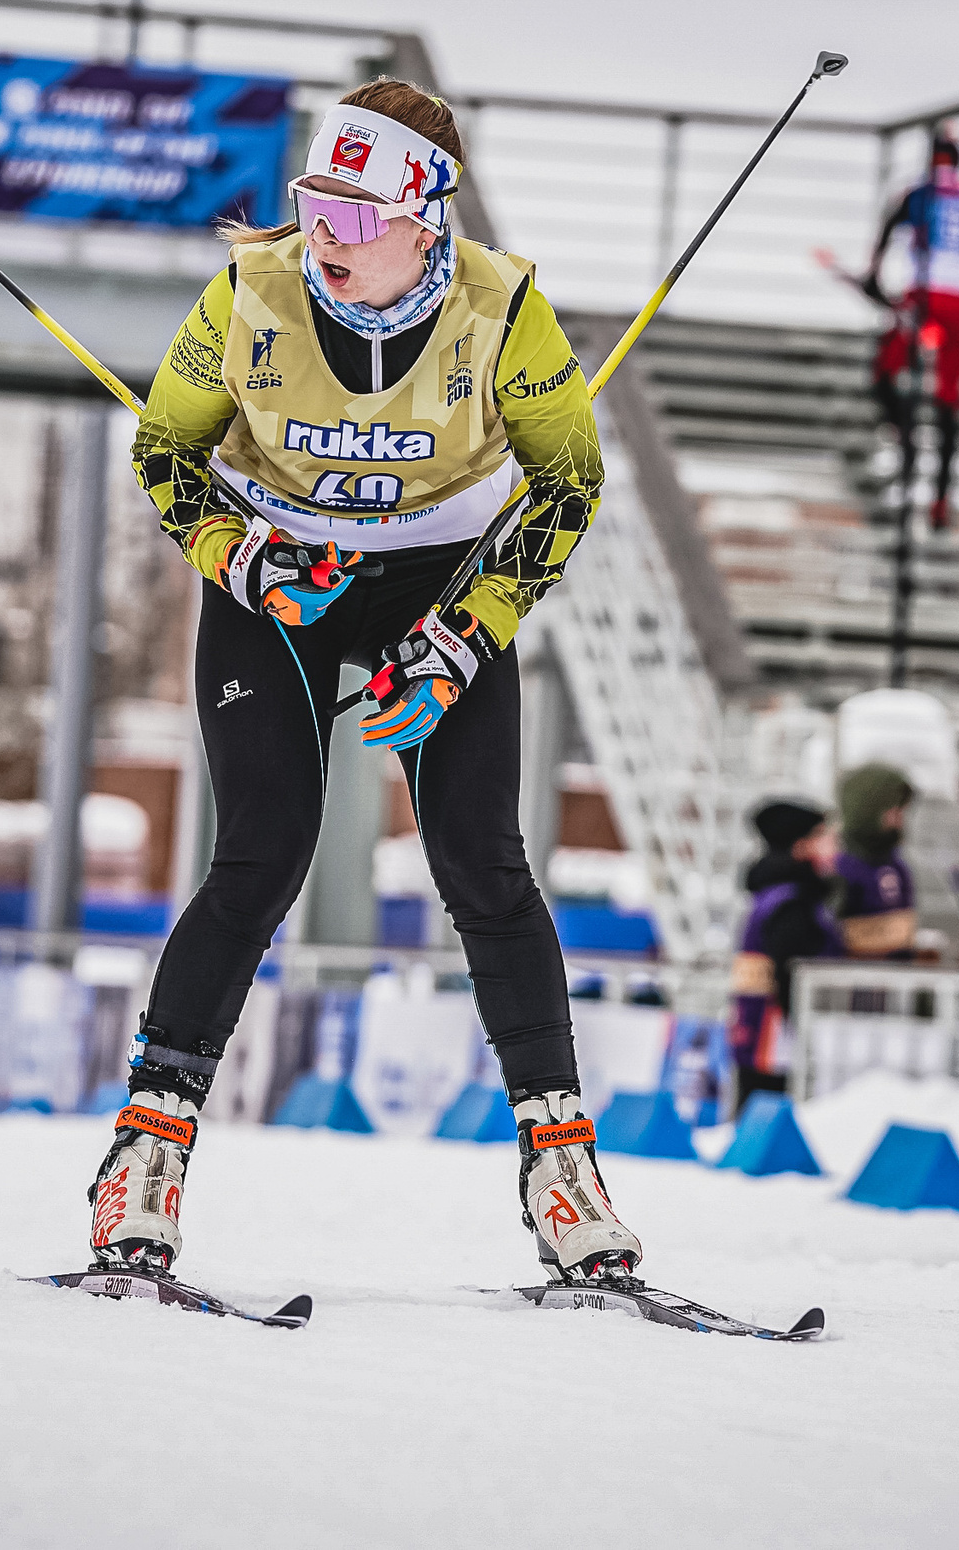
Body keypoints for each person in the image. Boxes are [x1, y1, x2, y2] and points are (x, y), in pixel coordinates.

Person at [84, 80, 641, 1288]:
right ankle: (144, 1161)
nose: (322, 235)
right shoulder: (252, 294)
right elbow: (164, 450)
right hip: (284, 581)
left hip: (438, 584)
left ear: (426, 212)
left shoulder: (506, 310)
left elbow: (569, 486)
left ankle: (562, 1176)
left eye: (352, 211)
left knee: (484, 866)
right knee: (262, 855)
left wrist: (469, 629)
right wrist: (235, 554)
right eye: (311, 203)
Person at [864, 130, 959, 531]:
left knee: (885, 373)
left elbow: (887, 232)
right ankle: (942, 496)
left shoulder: (920, 194)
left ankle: (906, 439)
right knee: (949, 400)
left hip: (924, 295)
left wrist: (873, 280)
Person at [730, 799, 841, 1113]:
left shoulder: (777, 895)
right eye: (824, 836)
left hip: (758, 1036)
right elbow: (793, 973)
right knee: (768, 1123)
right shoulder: (792, 904)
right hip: (775, 1043)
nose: (834, 846)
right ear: (801, 846)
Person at [834, 762, 919, 958]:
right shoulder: (841, 868)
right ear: (868, 811)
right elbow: (835, 938)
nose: (899, 821)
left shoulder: (896, 867)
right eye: (894, 812)